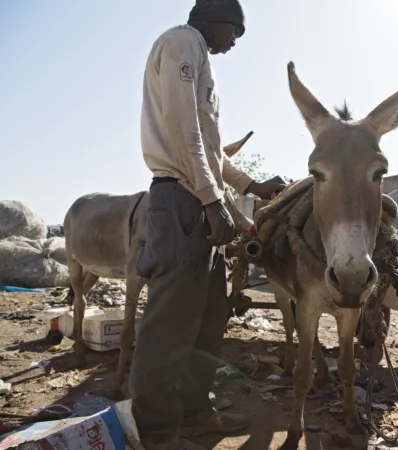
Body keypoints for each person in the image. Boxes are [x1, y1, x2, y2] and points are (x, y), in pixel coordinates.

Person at [129, 1, 286, 449]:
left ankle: (195, 412)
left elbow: (211, 151)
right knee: (170, 322)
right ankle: (156, 434)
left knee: (209, 316)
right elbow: (183, 130)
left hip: (199, 199)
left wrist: (253, 184)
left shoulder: (200, 59)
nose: (235, 43)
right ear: (217, 19)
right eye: (236, 32)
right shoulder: (182, 42)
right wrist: (213, 201)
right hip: (182, 200)